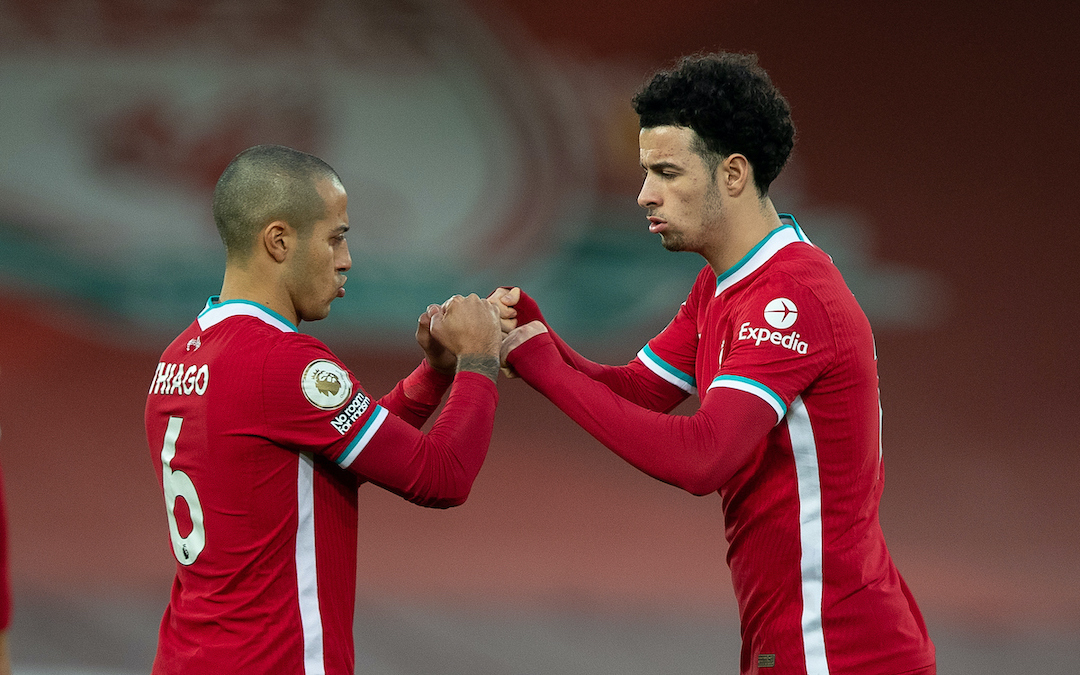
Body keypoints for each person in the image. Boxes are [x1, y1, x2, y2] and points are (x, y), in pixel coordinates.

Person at [499, 53, 936, 674]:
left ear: (732, 173)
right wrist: (540, 339)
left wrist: (540, 364)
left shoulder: (791, 299)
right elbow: (638, 392)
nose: (644, 194)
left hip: (836, 647)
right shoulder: (724, 285)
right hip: (801, 638)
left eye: (668, 172)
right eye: (645, 172)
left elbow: (703, 457)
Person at [145, 144, 504, 674]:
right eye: (336, 238)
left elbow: (335, 453)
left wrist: (434, 374)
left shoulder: (179, 357)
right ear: (279, 241)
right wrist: (480, 358)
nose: (346, 260)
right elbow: (441, 476)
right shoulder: (281, 360)